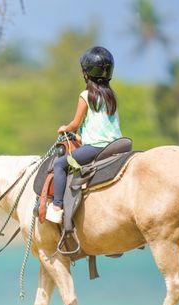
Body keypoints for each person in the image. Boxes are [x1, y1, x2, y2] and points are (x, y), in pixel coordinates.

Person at [46, 46, 122, 224]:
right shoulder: (111, 96)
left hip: (97, 148)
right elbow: (100, 124)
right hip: (117, 145)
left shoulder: (86, 95)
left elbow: (75, 123)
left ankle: (57, 207)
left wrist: (64, 128)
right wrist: (81, 135)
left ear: (86, 73)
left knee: (59, 164)